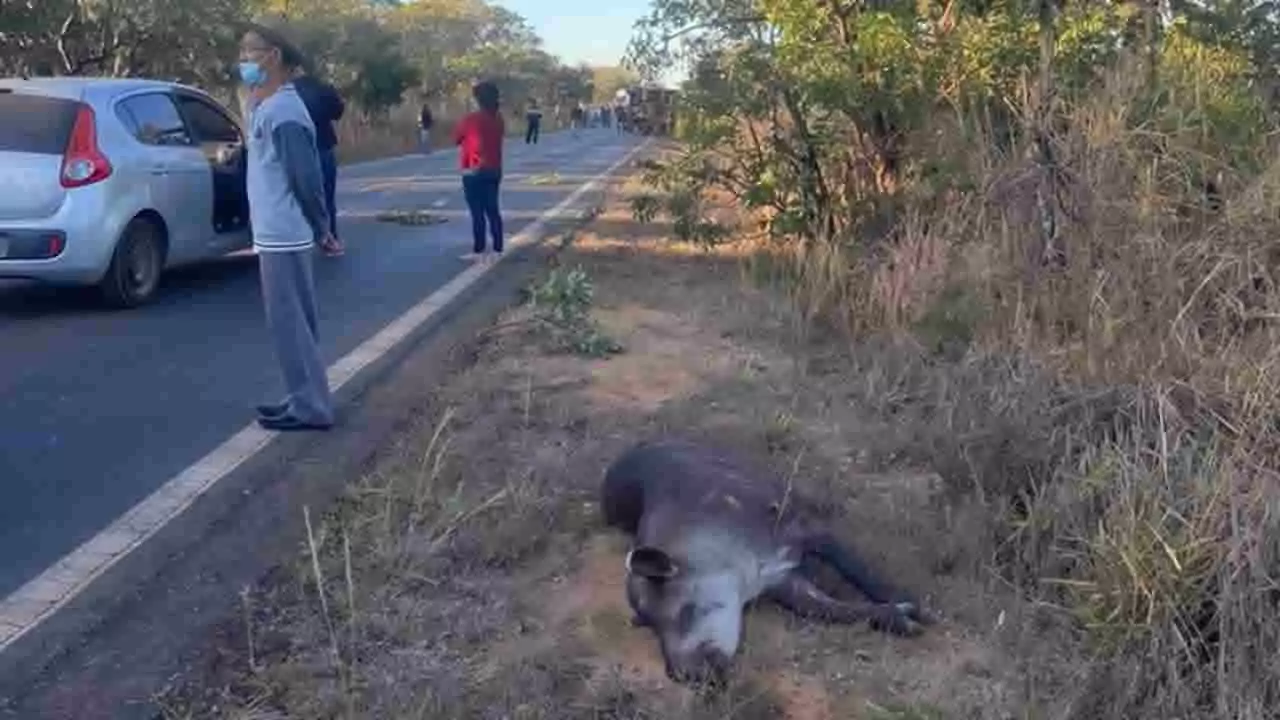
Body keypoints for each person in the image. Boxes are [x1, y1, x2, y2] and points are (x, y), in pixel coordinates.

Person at [237, 24, 336, 432]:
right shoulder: (270, 105)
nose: (242, 61)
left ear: (273, 56)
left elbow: (306, 178)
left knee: (289, 321)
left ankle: (311, 406)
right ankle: (302, 395)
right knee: (294, 321)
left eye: (249, 52)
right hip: (277, 232)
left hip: (286, 233)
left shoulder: (285, 112)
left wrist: (322, 226)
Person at [291, 65, 345, 257]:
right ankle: (330, 238)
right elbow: (338, 112)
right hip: (322, 146)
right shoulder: (321, 88)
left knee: (295, 197)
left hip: (294, 149)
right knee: (326, 196)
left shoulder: (284, 92)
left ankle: (298, 242)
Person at [451, 81, 505, 261]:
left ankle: (479, 250)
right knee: (493, 210)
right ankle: (498, 249)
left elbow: (456, 139)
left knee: (477, 212)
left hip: (473, 169)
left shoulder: (471, 119)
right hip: (495, 169)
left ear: (478, 99)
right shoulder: (498, 119)